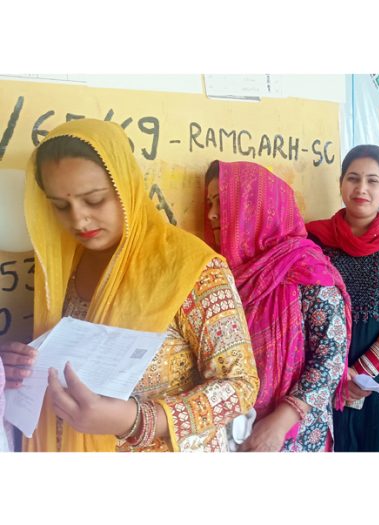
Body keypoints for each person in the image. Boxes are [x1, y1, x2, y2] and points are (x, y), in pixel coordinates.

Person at [0, 119, 259, 452]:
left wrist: (136, 420)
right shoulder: (63, 264)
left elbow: (240, 385)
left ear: (126, 188)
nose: (78, 219)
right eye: (60, 206)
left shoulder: (189, 267)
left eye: (94, 200)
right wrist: (18, 368)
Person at [204, 160, 351, 452]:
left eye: (221, 202)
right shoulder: (223, 274)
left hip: (294, 434)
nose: (210, 215)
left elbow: (330, 356)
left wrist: (281, 422)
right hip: (234, 432)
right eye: (208, 203)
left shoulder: (306, 269)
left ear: (253, 207)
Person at [306, 144, 379, 452]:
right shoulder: (314, 238)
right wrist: (337, 375)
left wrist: (361, 373)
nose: (361, 188)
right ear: (341, 183)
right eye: (353, 178)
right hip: (324, 374)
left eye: (372, 180)